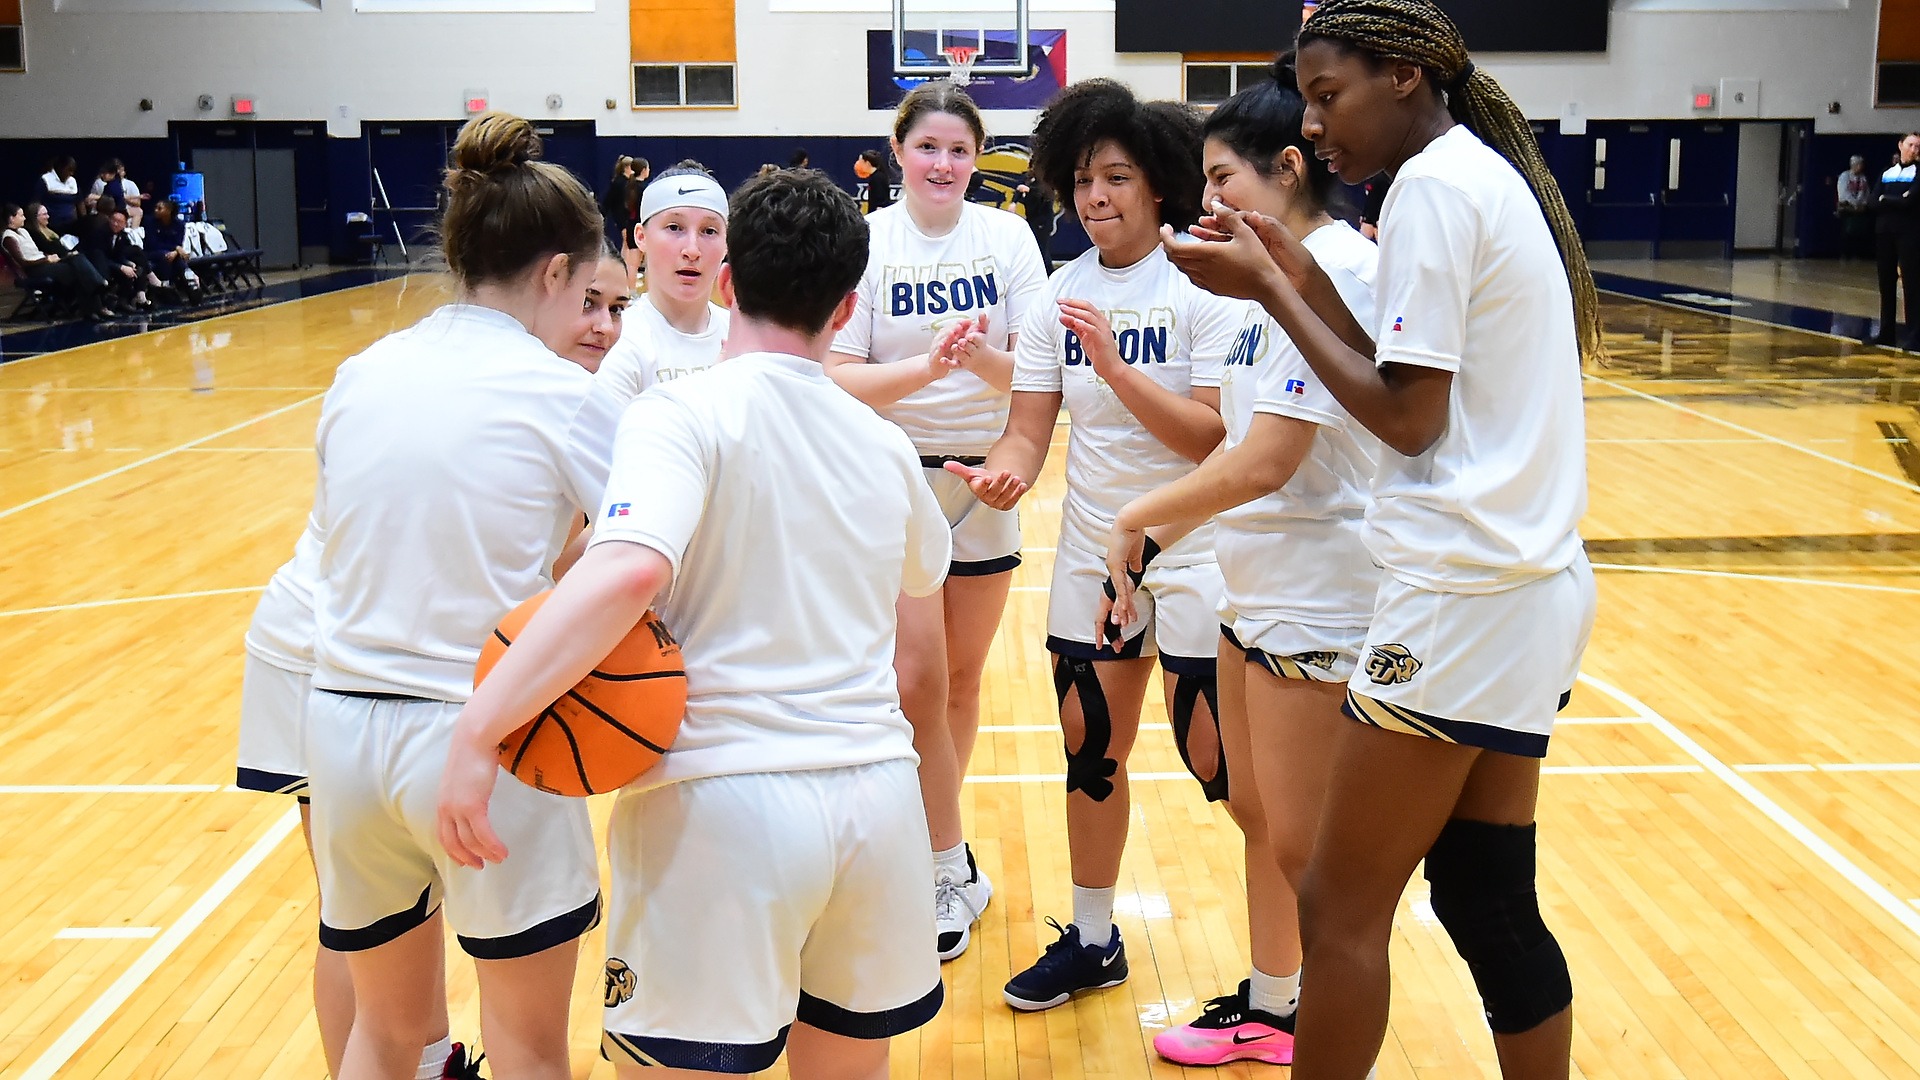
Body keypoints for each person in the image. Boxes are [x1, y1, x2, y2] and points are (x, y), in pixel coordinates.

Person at [1163, 1, 1601, 1075]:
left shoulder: (1435, 193)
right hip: (1526, 584)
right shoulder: (1468, 180)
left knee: (1338, 905)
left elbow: (1407, 417)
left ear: (1404, 74)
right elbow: (1397, 373)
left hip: (1461, 593)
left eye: (1328, 95)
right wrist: (1294, 270)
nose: (1313, 126)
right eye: (1306, 102)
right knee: (1488, 894)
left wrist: (1271, 283)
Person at [437, 168, 950, 1080]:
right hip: (877, 800)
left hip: (725, 805)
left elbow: (630, 568)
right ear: (847, 306)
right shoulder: (883, 442)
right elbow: (920, 633)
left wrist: (481, 728)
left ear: (727, 281)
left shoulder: (680, 412)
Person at [301, 111, 618, 1080]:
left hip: (344, 733)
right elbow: (644, 555)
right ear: (557, 273)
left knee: (389, 1034)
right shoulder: (563, 395)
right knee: (524, 1042)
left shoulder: (361, 374)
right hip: (479, 735)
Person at [1099, 66, 1379, 1067]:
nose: (1209, 203)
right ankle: (1273, 1000)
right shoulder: (1265, 275)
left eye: (1224, 180)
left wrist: (1136, 516)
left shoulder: (1332, 269)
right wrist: (1161, 540)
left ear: (1291, 168)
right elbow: (1239, 447)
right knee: (1259, 814)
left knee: (1311, 849)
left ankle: (1329, 1031)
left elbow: (1272, 460)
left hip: (1322, 599)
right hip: (1253, 588)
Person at [951, 79, 1245, 1009]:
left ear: (1159, 184)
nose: (1095, 197)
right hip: (1092, 554)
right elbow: (1030, 427)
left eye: (1116, 177)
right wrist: (1006, 470)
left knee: (1218, 760)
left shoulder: (1205, 279)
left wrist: (1114, 366)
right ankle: (1091, 939)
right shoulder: (1057, 297)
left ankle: (1286, 966)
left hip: (1198, 550)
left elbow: (1210, 439)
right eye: (1081, 179)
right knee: (1090, 748)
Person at [824, 82, 1048, 961]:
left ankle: (938, 856)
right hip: (887, 478)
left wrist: (981, 360)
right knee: (905, 681)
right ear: (896, 151)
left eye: (960, 150)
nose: (945, 164)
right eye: (928, 148)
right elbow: (839, 371)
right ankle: (932, 856)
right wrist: (927, 366)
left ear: (976, 158)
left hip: (986, 475)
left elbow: (1039, 381)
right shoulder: (870, 242)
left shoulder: (1007, 238)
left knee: (956, 682)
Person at [597, 160, 730, 406]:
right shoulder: (616, 339)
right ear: (641, 237)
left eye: (709, 231)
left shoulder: (744, 336)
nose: (692, 250)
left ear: (726, 244)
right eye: (674, 227)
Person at [2, 202, 113, 319]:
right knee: (77, 271)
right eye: (21, 215)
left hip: (44, 262)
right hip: (34, 269)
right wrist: (46, 259)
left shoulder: (23, 231)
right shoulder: (9, 237)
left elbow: (35, 252)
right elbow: (23, 262)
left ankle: (94, 302)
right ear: (11, 218)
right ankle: (98, 295)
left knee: (77, 258)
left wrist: (50, 257)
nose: (24, 218)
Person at [1876, 134, 1920, 348]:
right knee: (1886, 282)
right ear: (1901, 146)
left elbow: (1910, 201)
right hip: (1885, 233)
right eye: (1910, 145)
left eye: (1918, 146)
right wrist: (1892, 200)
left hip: (1909, 234)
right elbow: (1872, 200)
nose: (1914, 149)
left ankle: (1914, 334)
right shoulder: (1887, 173)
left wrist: (1886, 199)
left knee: (1911, 284)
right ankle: (1886, 332)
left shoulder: (1918, 172)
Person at [144, 199, 203, 304]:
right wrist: (176, 249)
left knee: (177, 259)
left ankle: (192, 286)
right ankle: (167, 287)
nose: (156, 210)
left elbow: (178, 243)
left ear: (169, 211)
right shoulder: (150, 222)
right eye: (155, 208)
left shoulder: (179, 225)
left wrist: (176, 251)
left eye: (160, 208)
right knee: (167, 256)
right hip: (152, 253)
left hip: (172, 254)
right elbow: (153, 244)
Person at [1014, 172, 1055, 272]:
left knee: (1042, 249)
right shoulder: (1028, 178)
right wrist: (1014, 202)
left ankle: (1048, 273)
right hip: (1032, 218)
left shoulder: (1045, 181)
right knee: (1034, 247)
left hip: (1042, 220)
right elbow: (1019, 189)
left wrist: (1029, 190)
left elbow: (1043, 195)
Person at [1837, 155, 1873, 261]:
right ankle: (1844, 254)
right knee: (1846, 232)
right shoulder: (1844, 176)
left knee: (1859, 233)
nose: (1861, 166)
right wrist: (1854, 205)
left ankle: (1857, 254)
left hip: (1860, 209)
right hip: (1847, 207)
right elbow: (1844, 193)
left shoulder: (1863, 178)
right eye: (1860, 164)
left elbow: (1866, 192)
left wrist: (1863, 204)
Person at [603, 157, 635, 257]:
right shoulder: (619, 182)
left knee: (627, 242)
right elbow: (609, 200)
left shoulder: (629, 182)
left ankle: (626, 264)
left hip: (627, 215)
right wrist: (603, 213)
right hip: (621, 216)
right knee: (627, 242)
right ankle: (625, 264)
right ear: (627, 168)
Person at [40, 156, 83, 228]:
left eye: (73, 170)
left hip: (72, 224)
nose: (71, 173)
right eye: (69, 170)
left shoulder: (72, 181)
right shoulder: (45, 180)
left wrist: (83, 221)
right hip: (53, 224)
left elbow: (80, 202)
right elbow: (36, 203)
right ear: (60, 168)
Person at [856, 149, 895, 213]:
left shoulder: (878, 178)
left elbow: (881, 200)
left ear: (867, 163)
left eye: (861, 161)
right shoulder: (875, 176)